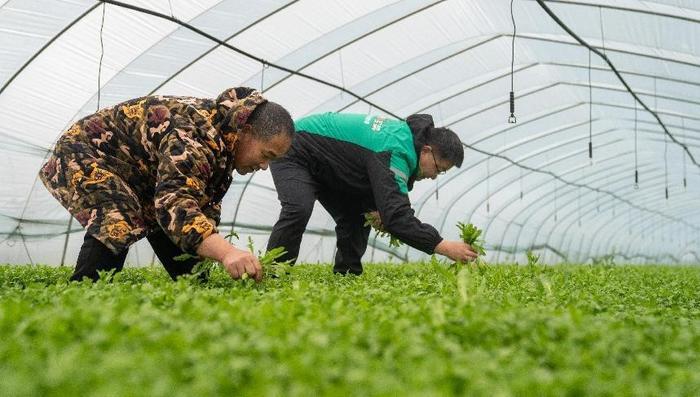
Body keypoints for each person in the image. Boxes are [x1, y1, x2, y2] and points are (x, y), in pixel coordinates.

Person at [39, 87, 293, 282]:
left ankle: (197, 289)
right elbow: (175, 205)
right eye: (266, 155)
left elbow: (196, 206)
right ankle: (86, 292)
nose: (263, 167)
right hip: (85, 154)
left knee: (180, 246)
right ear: (245, 132)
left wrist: (214, 252)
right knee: (119, 217)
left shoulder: (222, 146)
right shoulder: (195, 137)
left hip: (137, 175)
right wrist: (227, 252)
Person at [266, 112, 478, 275]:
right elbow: (397, 217)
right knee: (298, 207)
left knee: (357, 217)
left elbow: (370, 178)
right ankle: (275, 275)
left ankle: (347, 277)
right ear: (426, 151)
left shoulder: (402, 142)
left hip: (331, 166)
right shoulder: (396, 150)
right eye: (438, 169)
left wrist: (377, 209)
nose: (434, 176)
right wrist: (441, 245)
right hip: (296, 148)